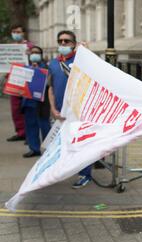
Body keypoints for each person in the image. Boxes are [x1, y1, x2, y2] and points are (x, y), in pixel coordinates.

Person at [48, 30, 92, 189]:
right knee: (62, 143)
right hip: (60, 113)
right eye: (60, 41)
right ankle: (63, 170)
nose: (63, 44)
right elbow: (51, 88)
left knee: (80, 144)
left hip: (78, 111)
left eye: (67, 41)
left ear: (74, 44)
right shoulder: (53, 63)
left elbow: (95, 75)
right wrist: (53, 108)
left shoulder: (82, 59)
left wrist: (88, 53)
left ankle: (85, 174)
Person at [21, 46, 51, 158]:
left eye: (37, 53)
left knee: (45, 125)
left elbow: (49, 83)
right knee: (30, 125)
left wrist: (38, 70)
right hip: (29, 102)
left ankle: (48, 150)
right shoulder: (25, 67)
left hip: (42, 103)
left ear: (41, 55)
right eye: (32, 52)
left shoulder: (47, 67)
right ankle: (34, 148)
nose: (34, 54)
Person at [6, 24, 34, 142]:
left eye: (18, 32)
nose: (16, 34)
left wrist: (30, 54)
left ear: (23, 33)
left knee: (27, 108)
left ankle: (30, 134)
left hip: (26, 80)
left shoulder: (30, 46)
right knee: (15, 109)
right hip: (13, 80)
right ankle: (21, 132)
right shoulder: (10, 47)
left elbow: (37, 59)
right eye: (14, 32)